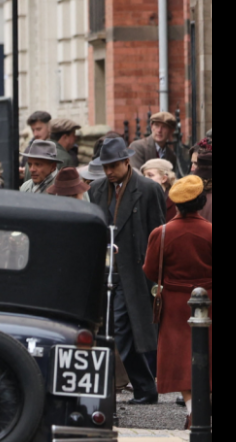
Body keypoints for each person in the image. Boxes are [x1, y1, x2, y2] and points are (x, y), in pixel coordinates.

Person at [87, 136, 166, 404]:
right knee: (109, 331)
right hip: (106, 274)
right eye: (104, 166)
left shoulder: (148, 189)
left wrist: (155, 276)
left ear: (125, 161)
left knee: (121, 332)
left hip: (134, 273)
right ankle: (141, 388)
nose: (108, 171)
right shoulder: (96, 189)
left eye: (112, 166)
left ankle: (143, 387)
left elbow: (158, 233)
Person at [143, 175, 211, 429]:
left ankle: (193, 411)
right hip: (208, 302)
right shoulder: (211, 232)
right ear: (201, 201)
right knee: (209, 355)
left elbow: (150, 271)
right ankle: (203, 410)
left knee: (180, 360)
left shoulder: (160, 234)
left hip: (173, 304)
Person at [21, 110, 53, 180]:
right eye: (33, 130)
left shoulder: (58, 148)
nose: (35, 134)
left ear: (49, 127)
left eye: (39, 129)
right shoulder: (28, 150)